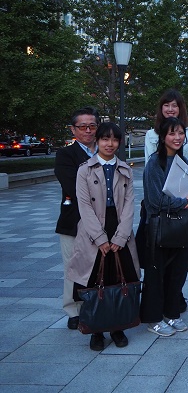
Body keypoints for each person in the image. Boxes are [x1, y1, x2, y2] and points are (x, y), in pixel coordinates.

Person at [67, 122, 139, 351]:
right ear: (97, 141)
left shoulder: (125, 170)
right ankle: (96, 330)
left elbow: (129, 205)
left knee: (119, 279)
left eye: (115, 139)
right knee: (94, 280)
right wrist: (100, 238)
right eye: (105, 139)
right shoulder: (84, 170)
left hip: (119, 229)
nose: (110, 144)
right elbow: (84, 206)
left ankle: (118, 327)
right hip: (93, 230)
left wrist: (120, 236)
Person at [144, 89, 188, 312]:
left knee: (181, 256)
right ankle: (158, 306)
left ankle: (175, 295)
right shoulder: (152, 142)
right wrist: (181, 200)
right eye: (166, 105)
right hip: (163, 207)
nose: (170, 109)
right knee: (159, 259)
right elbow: (154, 180)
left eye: (174, 105)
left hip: (184, 199)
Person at [55, 106, 100, 330]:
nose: (88, 131)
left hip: (103, 220)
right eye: (82, 127)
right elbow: (72, 186)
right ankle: (72, 309)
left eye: (92, 126)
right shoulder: (65, 155)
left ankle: (95, 306)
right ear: (74, 130)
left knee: (98, 266)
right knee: (73, 266)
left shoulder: (107, 151)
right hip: (74, 221)